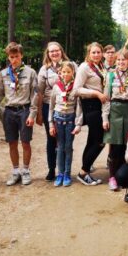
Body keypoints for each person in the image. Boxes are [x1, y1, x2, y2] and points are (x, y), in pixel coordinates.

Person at [0, 42, 38, 186]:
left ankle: (25, 171)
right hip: (9, 112)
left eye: (17, 56)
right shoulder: (4, 74)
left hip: (24, 110)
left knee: (25, 142)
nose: (14, 60)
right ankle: (15, 171)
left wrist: (32, 114)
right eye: (11, 57)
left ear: (21, 55)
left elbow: (35, 95)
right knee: (12, 142)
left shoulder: (30, 73)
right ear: (8, 57)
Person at [36, 41, 74, 182]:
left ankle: (65, 171)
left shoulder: (70, 65)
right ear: (48, 54)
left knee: (66, 141)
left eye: (57, 50)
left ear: (61, 51)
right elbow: (39, 92)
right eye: (51, 51)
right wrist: (39, 113)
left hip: (68, 108)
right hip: (50, 107)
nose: (54, 53)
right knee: (52, 139)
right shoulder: (44, 70)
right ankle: (52, 169)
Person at [102, 48, 128, 191]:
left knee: (126, 146)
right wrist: (105, 118)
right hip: (114, 112)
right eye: (119, 60)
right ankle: (112, 177)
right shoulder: (110, 76)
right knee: (115, 146)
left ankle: (123, 177)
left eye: (124, 60)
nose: (121, 62)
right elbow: (106, 99)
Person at [74, 42, 107, 186]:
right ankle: (83, 171)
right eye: (93, 52)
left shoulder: (102, 67)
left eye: (99, 52)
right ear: (89, 53)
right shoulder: (84, 67)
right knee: (100, 141)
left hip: (100, 105)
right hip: (91, 105)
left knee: (92, 140)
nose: (96, 55)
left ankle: (85, 171)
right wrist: (95, 93)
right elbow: (76, 90)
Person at [48, 61, 82, 187]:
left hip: (70, 120)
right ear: (59, 73)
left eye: (68, 71)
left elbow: (79, 107)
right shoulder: (56, 87)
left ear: (73, 72)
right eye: (63, 72)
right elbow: (51, 106)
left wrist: (78, 124)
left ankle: (67, 173)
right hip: (58, 120)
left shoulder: (75, 87)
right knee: (60, 147)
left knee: (68, 147)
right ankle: (60, 173)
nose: (66, 74)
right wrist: (51, 124)